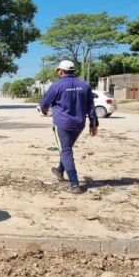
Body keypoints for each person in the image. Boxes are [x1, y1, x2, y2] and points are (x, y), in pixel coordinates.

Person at [39, 60, 98, 194]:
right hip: (79, 124)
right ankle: (60, 170)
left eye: (57, 70)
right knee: (66, 149)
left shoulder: (56, 86)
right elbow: (91, 107)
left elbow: (44, 104)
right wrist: (93, 124)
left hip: (62, 124)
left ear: (60, 71)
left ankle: (74, 184)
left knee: (65, 151)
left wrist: (44, 110)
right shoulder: (84, 85)